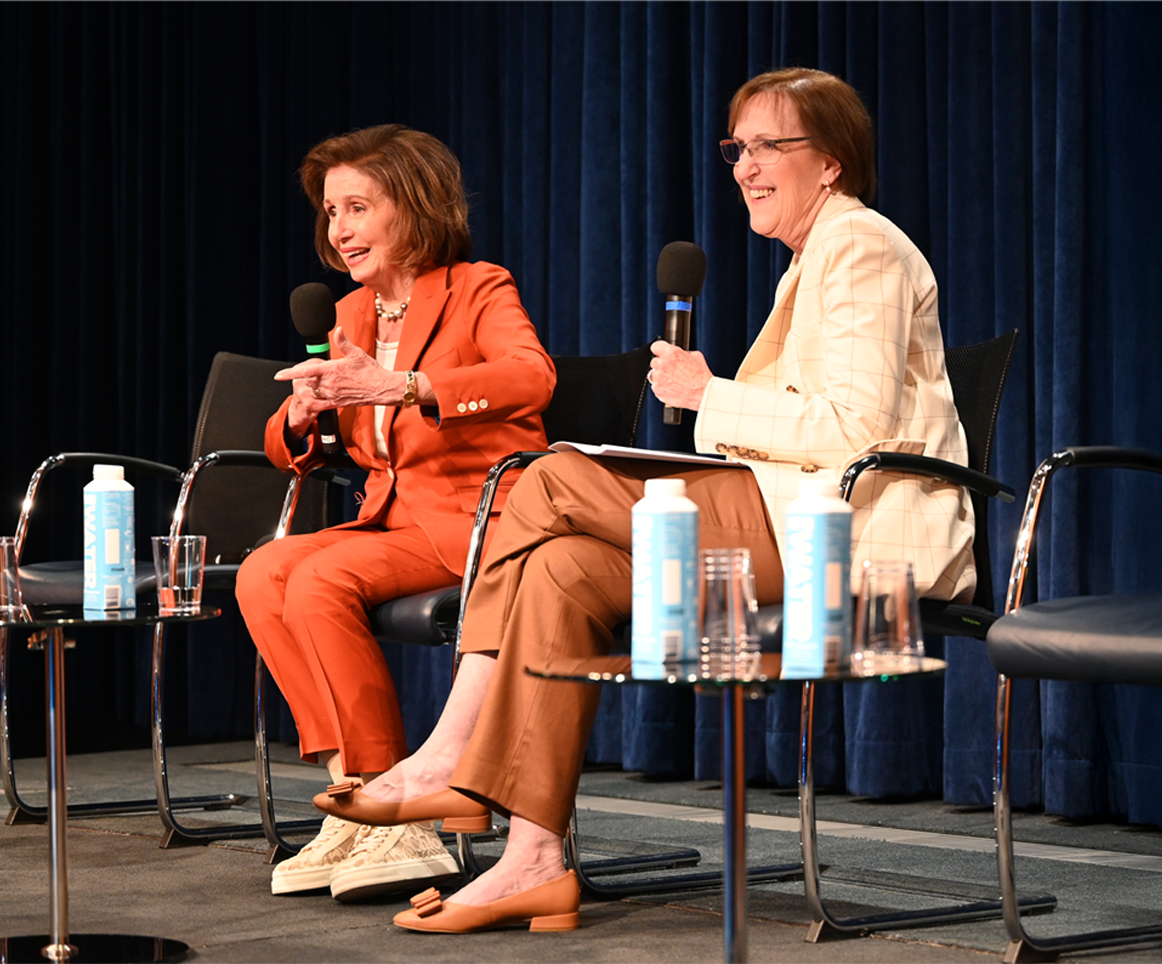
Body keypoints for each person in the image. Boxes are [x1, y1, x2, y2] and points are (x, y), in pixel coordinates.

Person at [314, 68, 976, 933]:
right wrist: (718, 408)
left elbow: (853, 430)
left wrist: (709, 393)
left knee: (543, 477)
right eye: (737, 147)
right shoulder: (814, 258)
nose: (745, 166)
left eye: (771, 145)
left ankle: (447, 754)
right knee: (559, 568)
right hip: (788, 513)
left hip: (849, 535)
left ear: (833, 164)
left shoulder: (860, 246)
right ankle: (532, 858)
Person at [235, 124, 555, 901]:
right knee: (263, 571)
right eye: (330, 211)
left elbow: (531, 378)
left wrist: (408, 387)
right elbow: (295, 446)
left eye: (356, 207)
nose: (339, 229)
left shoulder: (478, 287)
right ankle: (354, 798)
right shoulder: (349, 314)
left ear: (412, 207)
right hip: (391, 517)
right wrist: (306, 413)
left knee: (319, 581)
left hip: (476, 521)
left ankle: (393, 808)